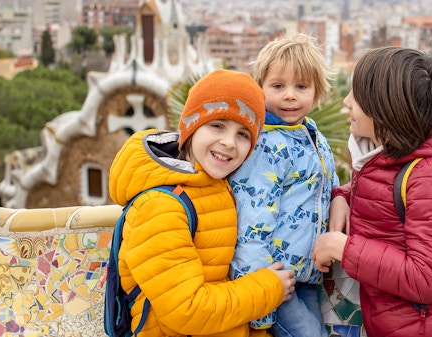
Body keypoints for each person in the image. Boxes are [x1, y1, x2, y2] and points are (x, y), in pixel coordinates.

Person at [108, 69, 296, 337]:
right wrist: (269, 288)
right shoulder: (159, 206)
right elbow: (187, 310)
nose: (229, 142)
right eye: (217, 125)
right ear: (190, 127)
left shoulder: (217, 186)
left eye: (243, 134)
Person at [312, 47, 432, 337]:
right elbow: (381, 201)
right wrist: (341, 198)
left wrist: (342, 248)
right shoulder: (389, 159)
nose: (346, 102)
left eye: (357, 95)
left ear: (384, 106)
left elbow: (427, 279)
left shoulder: (431, 175)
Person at [229, 33, 339, 337]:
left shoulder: (312, 135)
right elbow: (252, 221)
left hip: (305, 275)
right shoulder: (266, 146)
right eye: (278, 86)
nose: (289, 95)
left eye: (301, 87)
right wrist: (263, 304)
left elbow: (328, 186)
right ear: (260, 89)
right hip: (274, 278)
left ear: (316, 93)